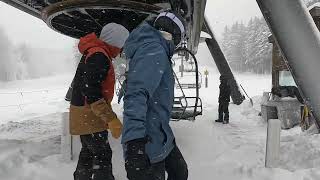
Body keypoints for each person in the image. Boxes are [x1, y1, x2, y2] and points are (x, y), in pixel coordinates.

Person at [121, 11, 188, 180]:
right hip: (147, 139)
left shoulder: (154, 48)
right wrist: (134, 141)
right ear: (175, 35)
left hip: (160, 132)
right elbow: (136, 94)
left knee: (180, 171)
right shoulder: (154, 49)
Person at [69, 23, 129, 180]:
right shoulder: (99, 55)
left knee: (88, 152)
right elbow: (92, 91)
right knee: (102, 154)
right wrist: (110, 118)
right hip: (89, 114)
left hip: (84, 113)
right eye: (121, 45)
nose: (121, 50)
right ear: (114, 42)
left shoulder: (96, 52)